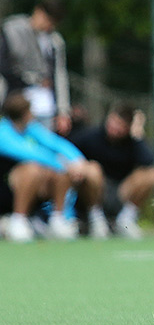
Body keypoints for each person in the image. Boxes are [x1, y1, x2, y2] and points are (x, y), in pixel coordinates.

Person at [0, 91, 105, 241]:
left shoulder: (30, 128)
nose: (33, 114)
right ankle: (18, 220)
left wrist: (77, 161)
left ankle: (57, 219)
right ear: (24, 113)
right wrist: (64, 164)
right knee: (32, 169)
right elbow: (30, 154)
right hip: (5, 189)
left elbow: (56, 143)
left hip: (31, 186)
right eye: (30, 111)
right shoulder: (2, 132)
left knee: (68, 171)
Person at [69, 102, 154, 239]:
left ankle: (125, 220)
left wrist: (138, 136)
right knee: (93, 169)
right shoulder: (91, 135)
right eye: (114, 122)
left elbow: (149, 161)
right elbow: (67, 149)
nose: (115, 128)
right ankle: (96, 220)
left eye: (121, 125)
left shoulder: (133, 142)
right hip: (95, 191)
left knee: (151, 174)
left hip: (120, 192)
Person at [2, 0, 72, 134]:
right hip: (16, 97)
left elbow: (60, 74)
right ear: (38, 11)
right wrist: (33, 80)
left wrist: (63, 110)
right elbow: (4, 65)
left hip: (45, 104)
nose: (48, 25)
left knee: (43, 140)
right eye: (47, 19)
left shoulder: (55, 42)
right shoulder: (13, 30)